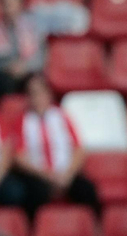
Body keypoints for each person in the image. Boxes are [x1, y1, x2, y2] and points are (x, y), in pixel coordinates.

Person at [15, 75, 99, 212]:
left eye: (40, 92)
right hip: (39, 176)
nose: (37, 98)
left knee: (87, 190)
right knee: (34, 194)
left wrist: (68, 174)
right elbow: (19, 158)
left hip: (65, 174)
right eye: (32, 93)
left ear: (48, 94)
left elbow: (79, 149)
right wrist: (47, 175)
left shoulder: (62, 117)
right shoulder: (22, 121)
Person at [0, 0, 46, 94]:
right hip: (6, 74)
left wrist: (25, 66)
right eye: (5, 4)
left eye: (12, 3)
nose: (8, 8)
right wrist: (10, 67)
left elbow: (40, 58)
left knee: (36, 83)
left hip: (29, 72)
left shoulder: (33, 26)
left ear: (20, 4)